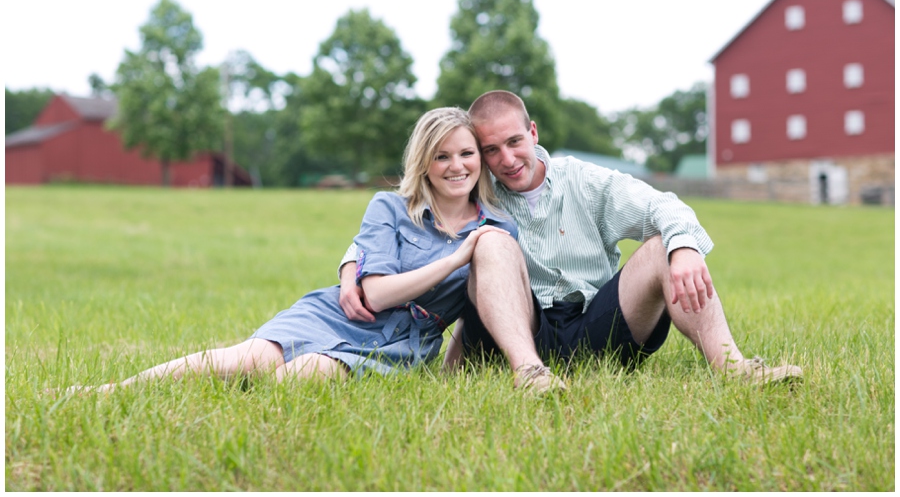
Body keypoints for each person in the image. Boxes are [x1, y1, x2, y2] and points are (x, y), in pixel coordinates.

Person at [339, 90, 802, 393]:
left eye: (514, 142)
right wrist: (351, 268)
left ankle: (734, 367)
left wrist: (683, 248)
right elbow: (406, 212)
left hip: (598, 322)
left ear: (533, 133)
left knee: (664, 244)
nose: (507, 159)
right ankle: (530, 374)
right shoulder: (475, 190)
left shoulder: (584, 180)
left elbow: (666, 205)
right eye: (490, 150)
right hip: (523, 328)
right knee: (491, 243)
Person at [64, 107, 516, 393]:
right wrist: (455, 258)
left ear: (480, 158)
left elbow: (481, 308)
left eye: (466, 154)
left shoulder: (497, 229)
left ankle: (227, 415)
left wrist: (452, 370)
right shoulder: (391, 208)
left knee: (296, 380)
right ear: (424, 164)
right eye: (441, 156)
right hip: (337, 314)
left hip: (400, 345)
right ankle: (109, 391)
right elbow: (375, 295)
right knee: (247, 358)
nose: (456, 166)